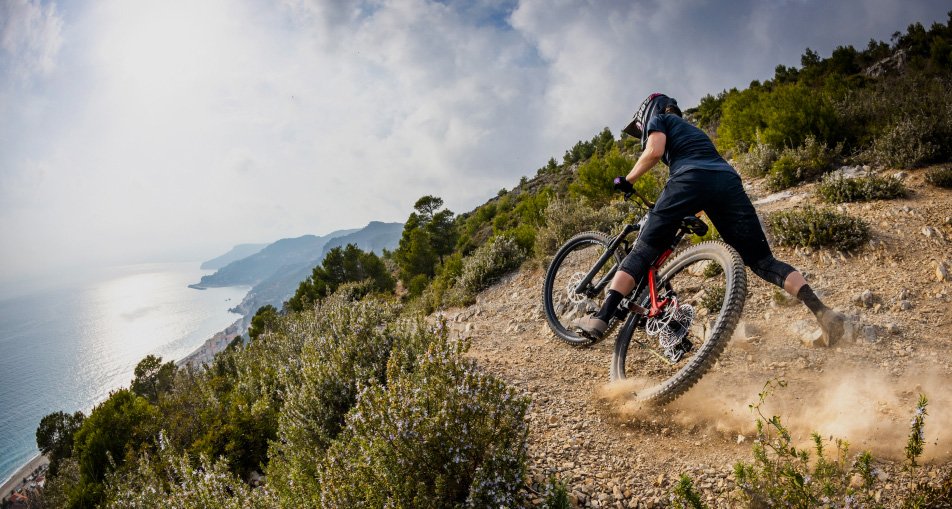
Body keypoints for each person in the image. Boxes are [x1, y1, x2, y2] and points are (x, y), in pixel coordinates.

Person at [574, 93, 846, 346]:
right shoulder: (697, 133)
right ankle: (823, 312)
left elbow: (654, 151)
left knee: (643, 249)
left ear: (649, 112)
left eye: (639, 128)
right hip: (727, 182)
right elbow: (707, 183)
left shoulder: (661, 119)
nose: (640, 133)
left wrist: (627, 180)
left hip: (689, 179)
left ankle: (602, 315)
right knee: (763, 261)